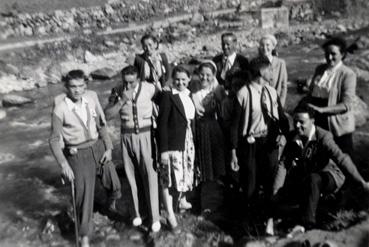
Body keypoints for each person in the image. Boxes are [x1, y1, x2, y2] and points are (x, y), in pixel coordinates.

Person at [267, 104, 369, 233]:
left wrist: (361, 182)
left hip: (330, 175)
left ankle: (307, 225)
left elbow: (342, 158)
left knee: (313, 179)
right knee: (286, 185)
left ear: (312, 121)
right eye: (295, 122)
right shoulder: (294, 137)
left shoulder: (324, 137)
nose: (297, 125)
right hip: (308, 174)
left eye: (301, 122)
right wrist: (276, 191)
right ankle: (275, 221)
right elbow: (283, 164)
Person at [49, 70, 121, 247]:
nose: (77, 90)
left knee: (114, 182)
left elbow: (101, 126)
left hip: (98, 147)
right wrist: (64, 164)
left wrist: (109, 147)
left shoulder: (90, 100)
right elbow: (53, 139)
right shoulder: (60, 109)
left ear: (85, 86)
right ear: (66, 87)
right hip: (78, 154)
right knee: (83, 197)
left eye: (81, 86)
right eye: (73, 86)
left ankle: (109, 205)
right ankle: (84, 237)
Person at [104, 65, 161, 232]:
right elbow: (107, 115)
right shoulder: (117, 91)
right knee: (131, 176)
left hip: (146, 135)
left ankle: (154, 216)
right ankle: (137, 213)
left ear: (138, 79)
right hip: (126, 137)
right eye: (125, 82)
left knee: (150, 175)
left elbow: (163, 105)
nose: (128, 86)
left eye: (132, 82)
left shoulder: (150, 88)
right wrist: (122, 100)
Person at [230, 58, 285, 206]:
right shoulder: (243, 94)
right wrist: (233, 152)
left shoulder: (272, 92)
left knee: (270, 180)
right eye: (270, 69)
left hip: (270, 141)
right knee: (250, 182)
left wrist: (284, 134)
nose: (273, 72)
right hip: (250, 143)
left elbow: (282, 117)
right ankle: (249, 219)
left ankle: (267, 217)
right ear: (261, 72)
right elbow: (234, 125)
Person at [157, 65, 196, 231]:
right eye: (177, 79)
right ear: (172, 80)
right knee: (167, 179)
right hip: (172, 144)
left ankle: (181, 200)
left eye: (184, 79)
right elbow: (162, 125)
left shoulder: (189, 95)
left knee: (183, 175)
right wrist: (163, 150)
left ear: (189, 80)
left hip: (186, 142)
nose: (180, 82)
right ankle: (169, 214)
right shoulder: (167, 95)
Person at [306, 37, 356, 156]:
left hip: (337, 124)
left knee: (342, 159)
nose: (329, 57)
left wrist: (322, 110)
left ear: (342, 54)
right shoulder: (320, 69)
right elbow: (312, 91)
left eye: (333, 54)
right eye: (327, 54)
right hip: (318, 120)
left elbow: (346, 105)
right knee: (320, 156)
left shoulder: (348, 74)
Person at [191, 61, 226, 214]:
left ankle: (214, 202)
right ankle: (198, 202)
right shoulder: (192, 87)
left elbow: (225, 109)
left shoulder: (218, 89)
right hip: (196, 129)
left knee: (214, 167)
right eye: (202, 74)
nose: (204, 78)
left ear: (214, 76)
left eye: (208, 75)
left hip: (212, 129)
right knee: (199, 166)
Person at [257, 34, 288, 106]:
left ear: (273, 47)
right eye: (262, 45)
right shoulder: (255, 63)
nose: (264, 48)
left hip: (276, 104)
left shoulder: (281, 63)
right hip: (260, 104)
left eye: (267, 45)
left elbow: (284, 86)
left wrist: (280, 105)